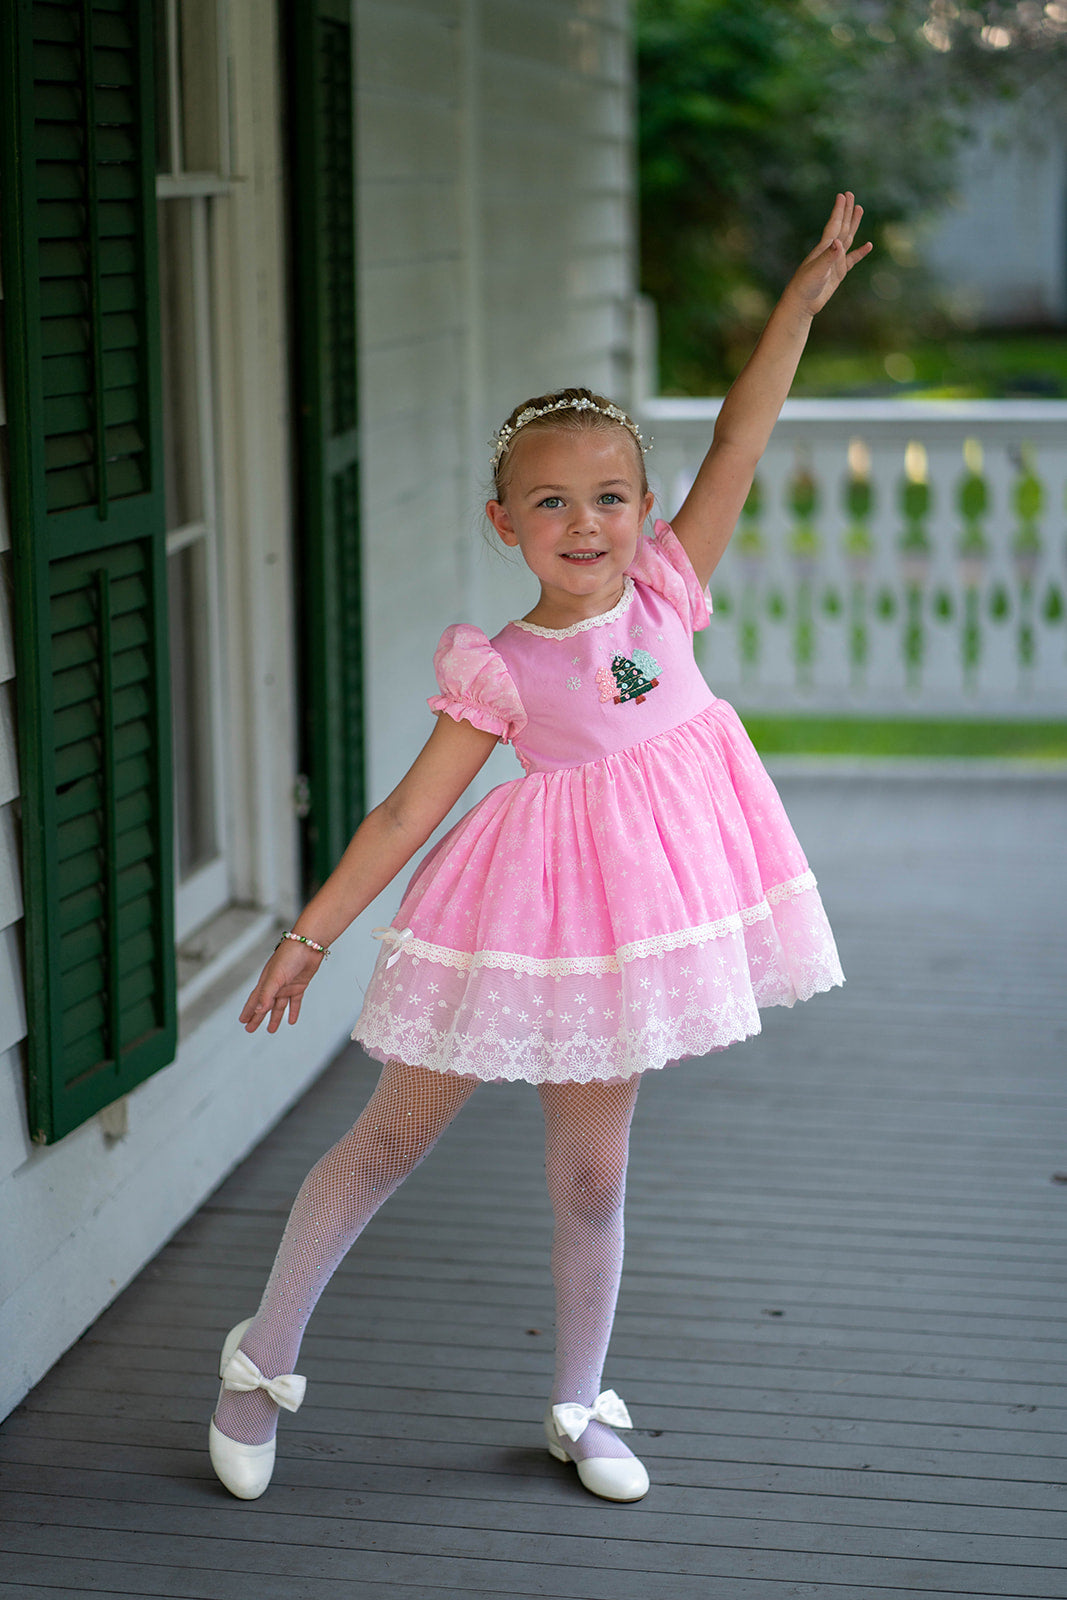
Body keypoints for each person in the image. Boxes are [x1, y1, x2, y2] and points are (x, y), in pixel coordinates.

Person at [209, 193, 872, 1502]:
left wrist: (793, 311)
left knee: (595, 1168)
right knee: (393, 1140)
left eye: (611, 496)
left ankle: (579, 1402)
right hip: (519, 919)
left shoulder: (673, 585)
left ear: (641, 508)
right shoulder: (500, 666)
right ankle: (257, 1361)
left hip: (633, 930)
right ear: (504, 522)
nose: (587, 523)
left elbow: (744, 432)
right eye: (552, 502)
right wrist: (307, 936)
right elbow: (405, 814)